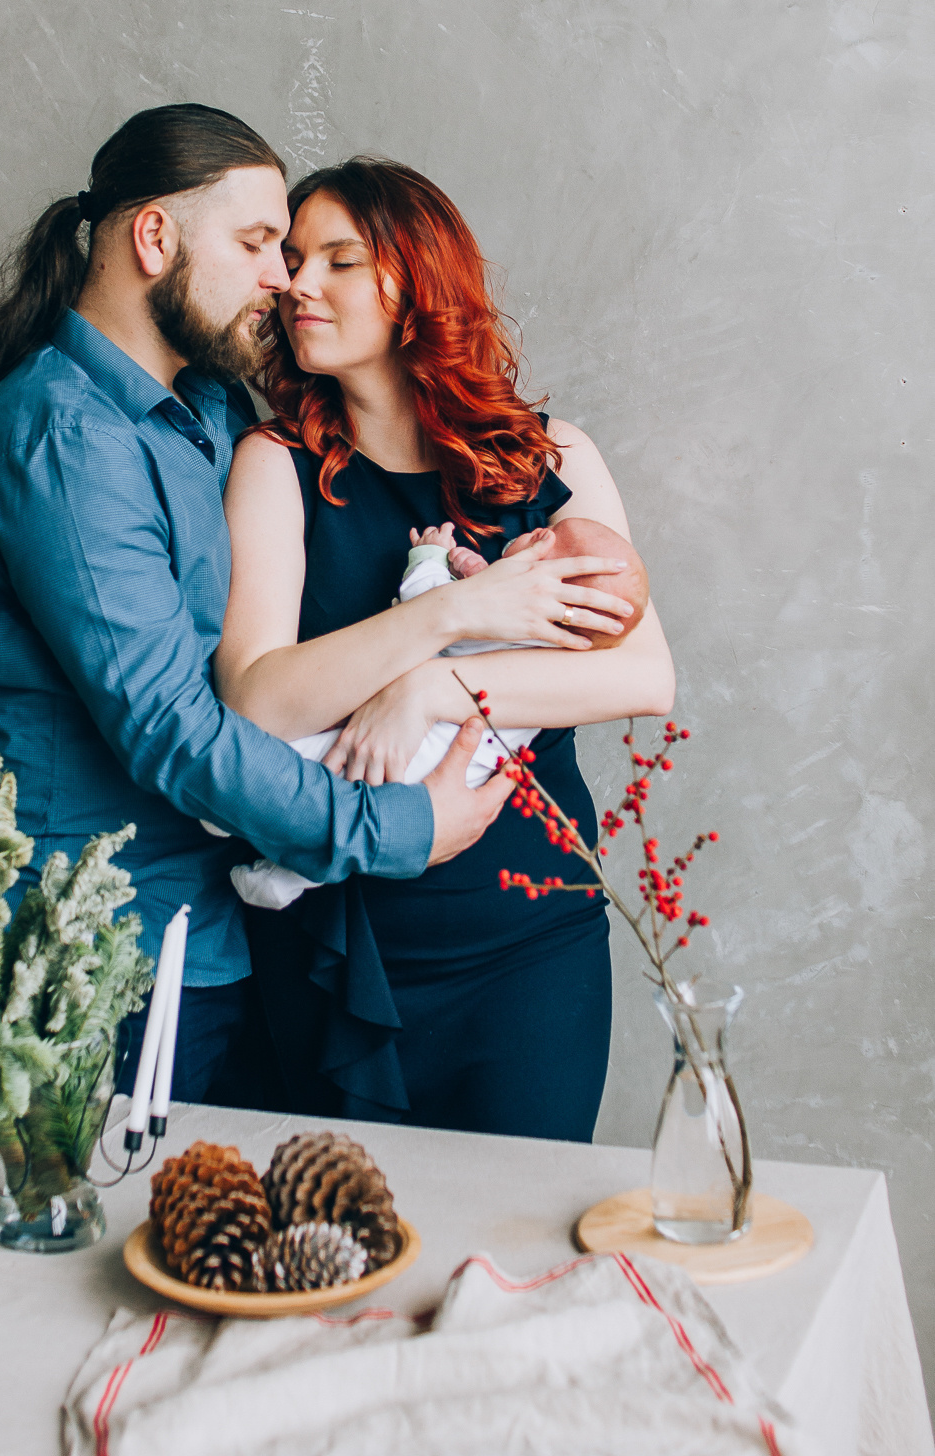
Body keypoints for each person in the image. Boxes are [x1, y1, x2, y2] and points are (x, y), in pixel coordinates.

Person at [0, 103, 590, 1106]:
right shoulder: (64, 438)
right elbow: (172, 733)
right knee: (62, 1247)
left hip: (206, 932)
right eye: (256, 243)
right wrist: (395, 825)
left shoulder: (210, 414)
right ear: (153, 239)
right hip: (66, 942)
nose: (282, 277)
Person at [216, 156, 675, 1138]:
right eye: (293, 259)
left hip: (529, 942)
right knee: (349, 1270)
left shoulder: (554, 460)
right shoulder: (274, 467)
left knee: (509, 1250)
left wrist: (433, 693)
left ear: (417, 285)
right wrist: (447, 620)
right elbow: (255, 700)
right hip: (337, 946)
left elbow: (644, 674)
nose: (297, 284)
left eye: (338, 260)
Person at [226, 514, 649, 909]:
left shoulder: (512, 622)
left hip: (423, 751)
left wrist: (430, 559)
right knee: (345, 815)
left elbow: (428, 605)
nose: (537, 531)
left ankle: (233, 810)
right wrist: (470, 572)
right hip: (454, 780)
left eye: (543, 539)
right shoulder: (557, 658)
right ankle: (282, 878)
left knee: (316, 765)